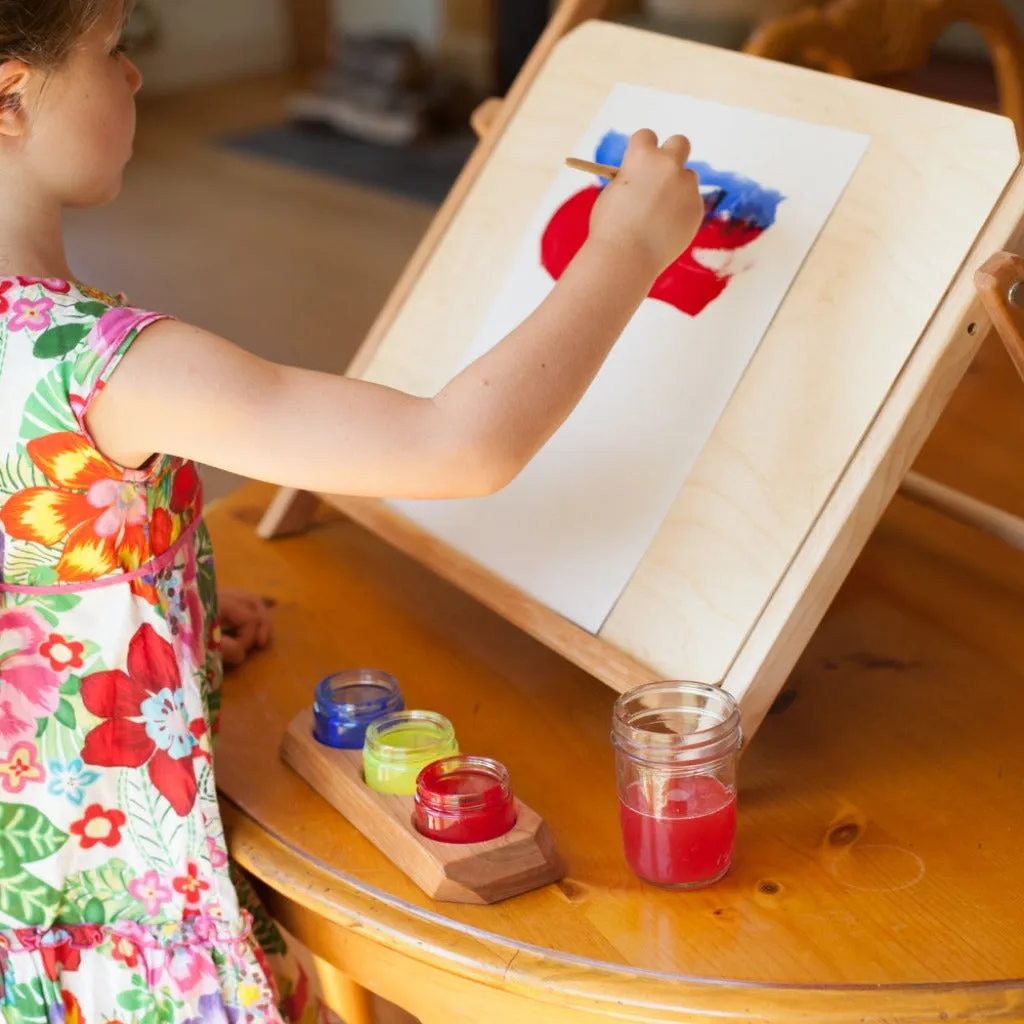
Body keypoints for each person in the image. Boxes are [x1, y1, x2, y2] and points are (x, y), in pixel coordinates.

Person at [0, 0, 704, 1020]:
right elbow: (456, 445)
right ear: (9, 98)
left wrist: (141, 614)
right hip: (121, 913)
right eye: (117, 51)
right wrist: (629, 247)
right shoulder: (107, 369)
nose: (135, 79)